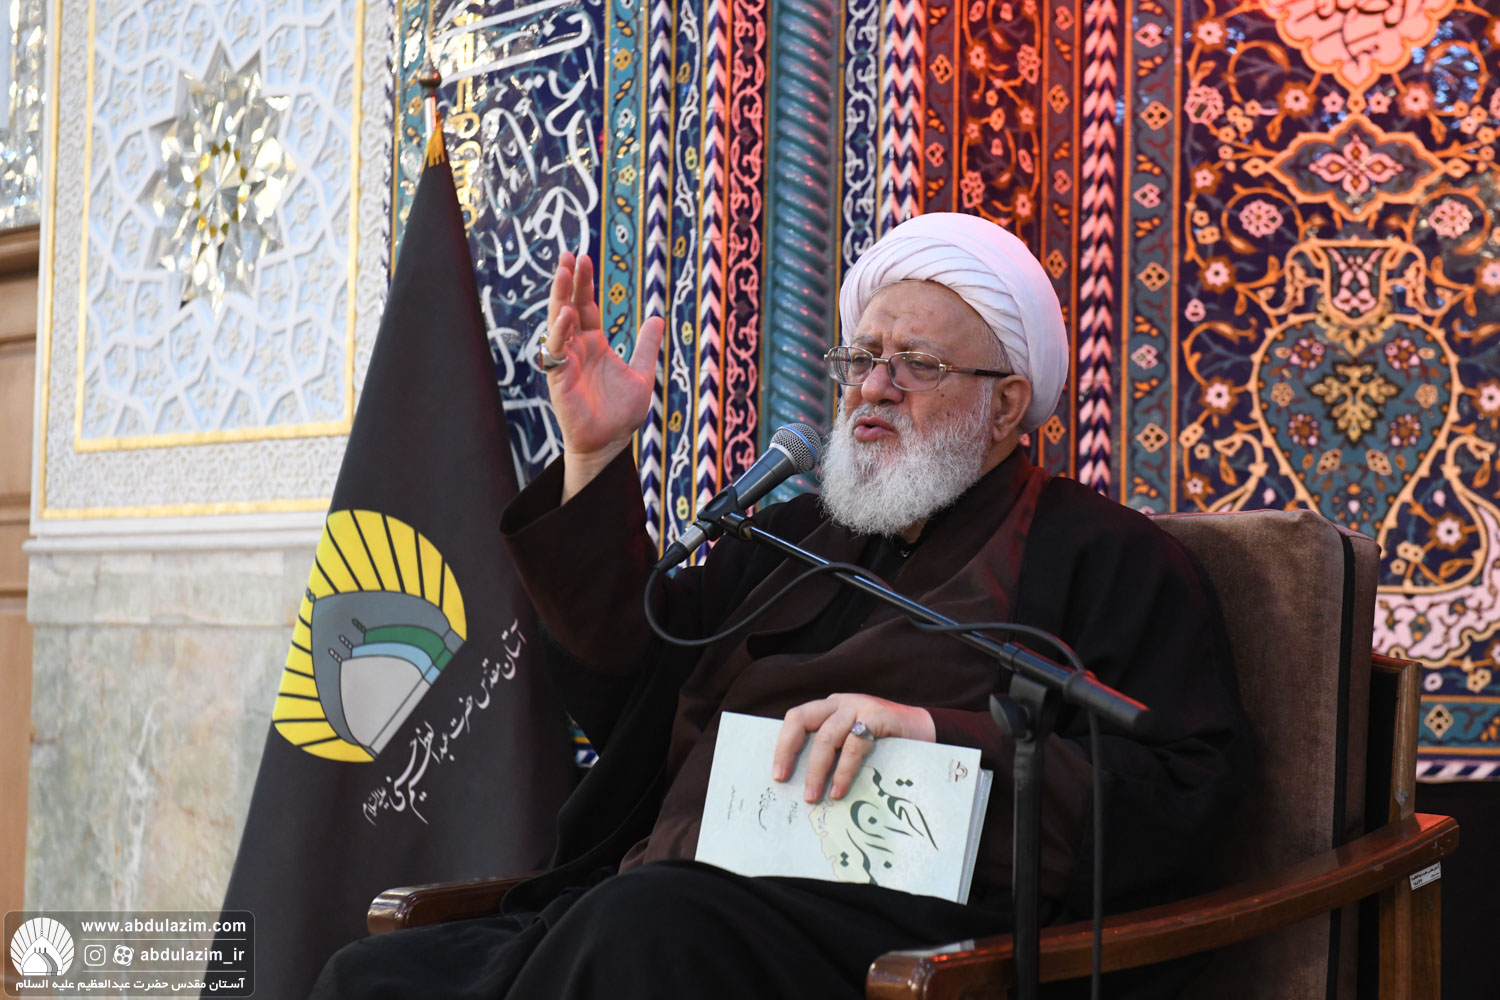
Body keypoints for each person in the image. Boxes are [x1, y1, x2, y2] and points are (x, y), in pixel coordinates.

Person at [310, 213, 1250, 999]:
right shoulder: (796, 534)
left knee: (646, 929)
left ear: (1006, 407)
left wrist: (936, 736)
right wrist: (595, 456)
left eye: (917, 364)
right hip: (675, 893)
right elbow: (629, 692)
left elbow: (1181, 795)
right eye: (862, 358)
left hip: (898, 939)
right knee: (374, 975)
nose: (873, 387)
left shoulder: (1104, 556)